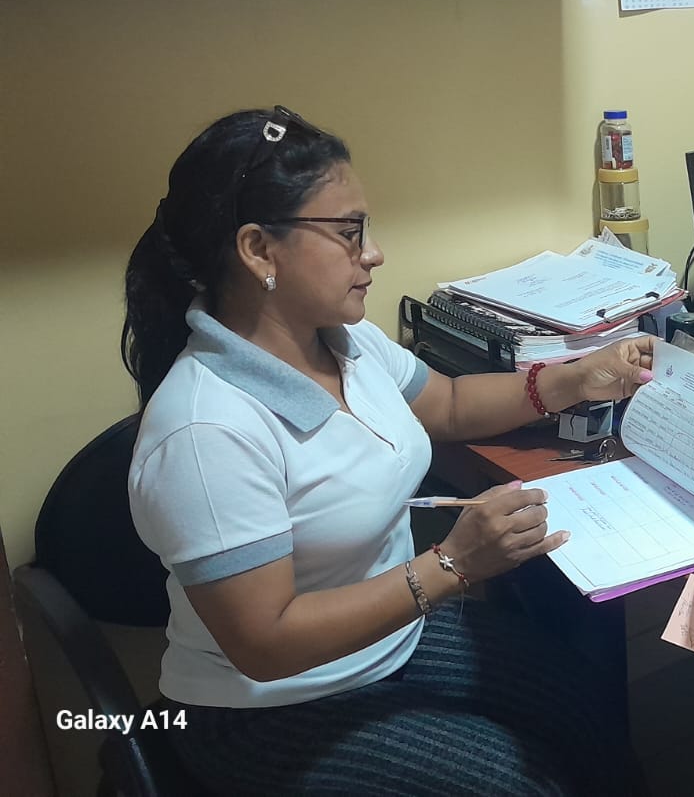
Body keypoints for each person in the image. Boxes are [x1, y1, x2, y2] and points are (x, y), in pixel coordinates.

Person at [121, 106, 652, 796]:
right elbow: (266, 644)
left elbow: (448, 404)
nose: (373, 254)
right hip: (269, 706)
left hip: (391, 639)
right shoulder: (205, 431)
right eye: (349, 233)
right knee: (526, 785)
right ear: (258, 250)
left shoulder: (340, 340)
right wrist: (454, 564)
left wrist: (574, 380)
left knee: (589, 707)